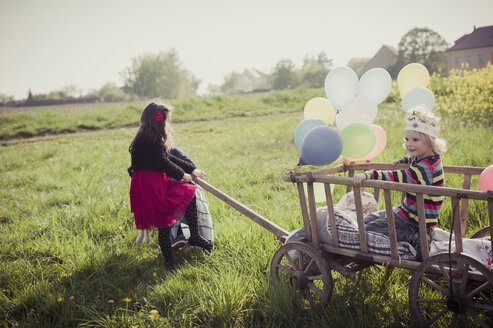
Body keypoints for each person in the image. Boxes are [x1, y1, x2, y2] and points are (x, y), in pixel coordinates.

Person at [353, 107, 447, 261]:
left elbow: (398, 176)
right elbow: (413, 160)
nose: (409, 144)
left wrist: (369, 174)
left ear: (430, 141)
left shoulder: (425, 169)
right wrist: (403, 160)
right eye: (407, 139)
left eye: (415, 140)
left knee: (367, 230)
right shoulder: (427, 158)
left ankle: (414, 239)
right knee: (364, 222)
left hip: (415, 224)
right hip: (405, 214)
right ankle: (408, 235)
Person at [129, 102, 212, 270]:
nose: (167, 124)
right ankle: (169, 263)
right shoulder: (147, 140)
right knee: (164, 223)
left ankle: (194, 235)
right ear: (159, 121)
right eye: (166, 121)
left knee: (188, 194)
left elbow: (169, 157)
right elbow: (163, 162)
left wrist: (193, 169)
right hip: (149, 186)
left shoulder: (148, 137)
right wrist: (183, 175)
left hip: (153, 183)